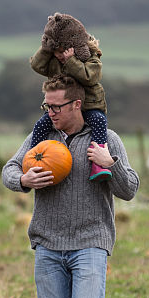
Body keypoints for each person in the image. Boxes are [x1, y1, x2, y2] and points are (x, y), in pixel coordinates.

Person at [2, 74, 139, 298]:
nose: (50, 112)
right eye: (46, 106)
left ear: (77, 104)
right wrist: (23, 179)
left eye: (56, 106)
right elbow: (9, 169)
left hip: (90, 241)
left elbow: (130, 189)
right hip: (48, 243)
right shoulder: (42, 138)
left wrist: (112, 165)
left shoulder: (106, 139)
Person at [29, 12, 112, 182]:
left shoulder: (91, 59)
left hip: (89, 106)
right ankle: (33, 162)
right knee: (40, 125)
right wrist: (45, 50)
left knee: (99, 121)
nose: (59, 55)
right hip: (60, 107)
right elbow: (37, 65)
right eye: (55, 51)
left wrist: (71, 61)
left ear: (75, 46)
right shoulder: (53, 61)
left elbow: (90, 77)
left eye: (62, 51)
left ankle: (99, 164)